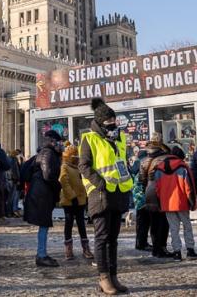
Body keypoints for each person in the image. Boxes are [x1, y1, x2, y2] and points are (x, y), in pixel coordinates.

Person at [79, 98, 132, 295]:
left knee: (114, 239)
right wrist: (100, 183)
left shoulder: (119, 138)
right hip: (100, 195)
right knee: (101, 238)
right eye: (109, 121)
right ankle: (103, 278)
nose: (113, 124)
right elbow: (83, 166)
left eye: (114, 120)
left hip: (118, 193)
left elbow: (122, 163)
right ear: (101, 122)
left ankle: (114, 275)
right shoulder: (89, 139)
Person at [150, 145, 197, 261]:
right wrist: (192, 202)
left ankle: (177, 252)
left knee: (173, 228)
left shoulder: (159, 168)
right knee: (187, 226)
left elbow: (156, 188)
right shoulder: (183, 167)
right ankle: (190, 250)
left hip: (167, 203)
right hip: (181, 202)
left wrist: (159, 202)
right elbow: (188, 187)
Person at [24, 129, 63, 267]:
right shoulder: (48, 153)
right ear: (52, 141)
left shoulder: (45, 152)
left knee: (44, 225)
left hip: (41, 193)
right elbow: (48, 175)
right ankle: (41, 255)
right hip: (42, 194)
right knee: (44, 225)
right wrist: (58, 186)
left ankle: (41, 253)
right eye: (59, 142)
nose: (61, 144)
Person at [59, 145, 93, 261]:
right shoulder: (65, 167)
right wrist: (72, 196)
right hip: (69, 200)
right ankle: (68, 249)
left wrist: (87, 195)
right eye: (74, 156)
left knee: (81, 224)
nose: (77, 158)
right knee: (68, 223)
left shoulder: (79, 167)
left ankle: (85, 248)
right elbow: (64, 181)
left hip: (81, 200)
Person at [140, 135, 172, 258]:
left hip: (149, 191)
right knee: (163, 221)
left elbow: (141, 179)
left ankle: (156, 248)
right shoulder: (165, 158)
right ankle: (162, 247)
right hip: (162, 191)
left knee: (153, 222)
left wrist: (146, 189)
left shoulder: (144, 161)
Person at [129, 147, 151, 252]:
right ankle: (142, 243)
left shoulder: (135, 166)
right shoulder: (142, 165)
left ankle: (140, 242)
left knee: (141, 221)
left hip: (137, 197)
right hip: (142, 197)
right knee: (143, 221)